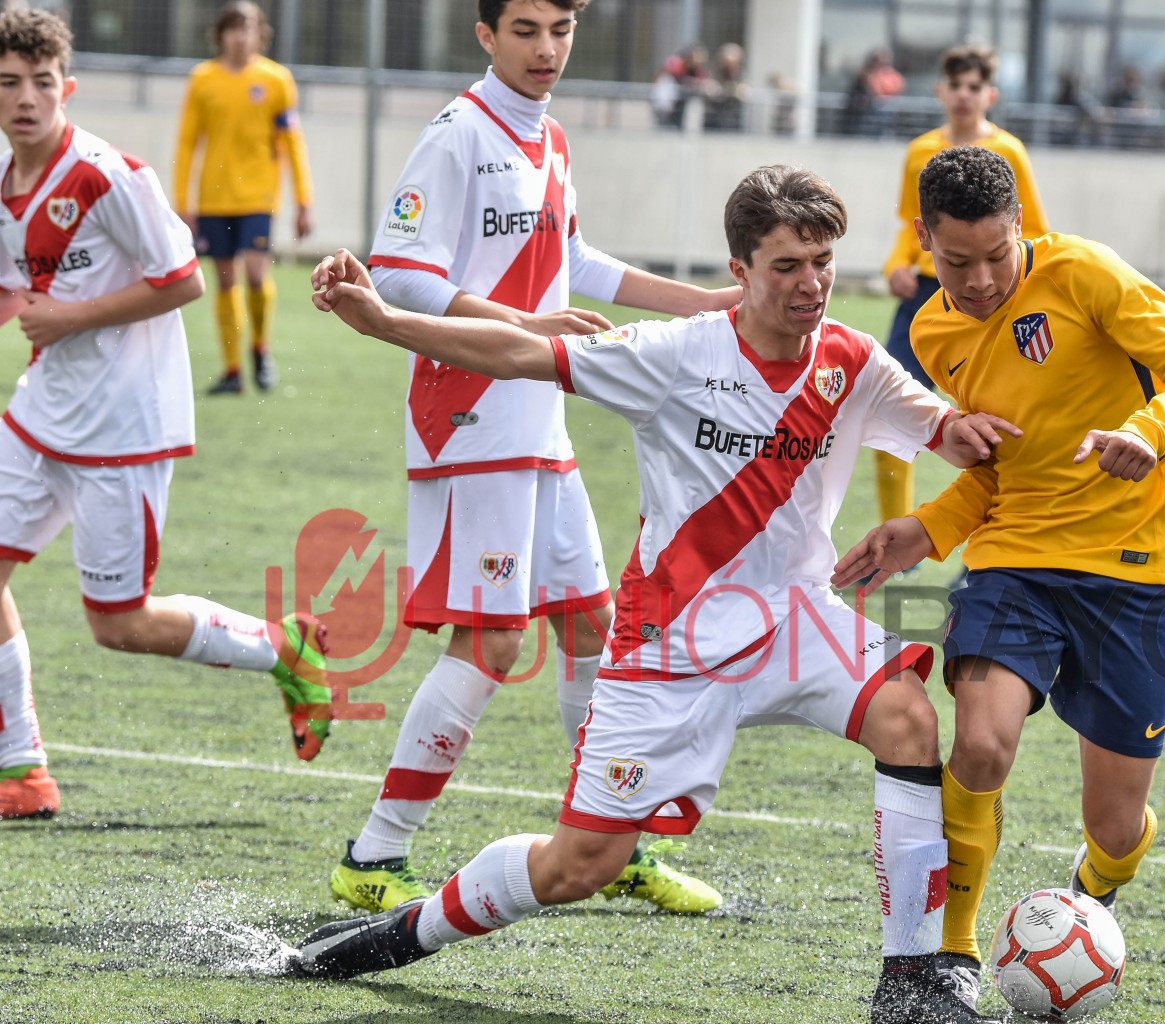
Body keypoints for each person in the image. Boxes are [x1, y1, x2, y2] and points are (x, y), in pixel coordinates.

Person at [298, 165, 1018, 1024]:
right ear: (740, 270)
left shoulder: (851, 361)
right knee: (577, 868)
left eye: (822, 261)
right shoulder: (676, 352)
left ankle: (910, 986)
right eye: (785, 265)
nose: (809, 283)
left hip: (792, 617)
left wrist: (966, 432)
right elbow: (524, 353)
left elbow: (937, 423)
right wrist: (384, 322)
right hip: (670, 642)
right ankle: (398, 935)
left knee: (907, 717)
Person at [326, 0, 739, 919]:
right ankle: (374, 853)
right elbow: (398, 275)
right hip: (471, 415)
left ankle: (613, 840)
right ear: (485, 35)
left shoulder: (544, 135)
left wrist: (703, 303)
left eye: (560, 29)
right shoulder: (457, 135)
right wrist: (526, 324)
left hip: (537, 419)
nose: (546, 48)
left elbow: (575, 261)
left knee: (595, 628)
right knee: (493, 639)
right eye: (525, 29)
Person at [834, 146, 1165, 1009]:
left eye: (995, 255)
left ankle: (1097, 886)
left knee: (1115, 825)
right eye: (955, 261)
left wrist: (1149, 430)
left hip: (1134, 575)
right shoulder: (935, 335)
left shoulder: (1086, 274)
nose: (978, 279)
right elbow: (996, 469)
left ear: (1022, 228)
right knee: (979, 742)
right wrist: (927, 527)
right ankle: (953, 956)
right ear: (923, 240)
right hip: (1014, 563)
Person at [0, 9, 332, 820]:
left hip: (124, 426)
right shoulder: (5, 184)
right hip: (44, 411)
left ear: (66, 88)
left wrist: (70, 318)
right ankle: (23, 768)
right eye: (9, 83)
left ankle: (283, 649)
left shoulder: (107, 176)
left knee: (119, 624)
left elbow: (182, 278)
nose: (26, 99)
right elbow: (17, 290)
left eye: (42, 83)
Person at [875, 45, 1047, 543]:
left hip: (998, 301)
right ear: (941, 91)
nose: (965, 95)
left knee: (1002, 428)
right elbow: (909, 230)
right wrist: (896, 265)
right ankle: (896, 526)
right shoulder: (918, 151)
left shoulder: (1009, 151)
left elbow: (1031, 230)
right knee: (893, 411)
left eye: (975, 86)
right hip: (927, 298)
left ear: (989, 94)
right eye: (957, 85)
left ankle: (1004, 528)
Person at [174, 0, 313, 395]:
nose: (241, 35)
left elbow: (293, 142)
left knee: (255, 274)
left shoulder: (276, 79)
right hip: (214, 200)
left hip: (257, 196)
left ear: (260, 34)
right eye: (233, 28)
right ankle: (233, 372)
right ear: (220, 35)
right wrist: (183, 201)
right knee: (225, 283)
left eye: (248, 27)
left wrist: (305, 200)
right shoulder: (202, 79)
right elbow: (187, 143)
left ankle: (260, 349)